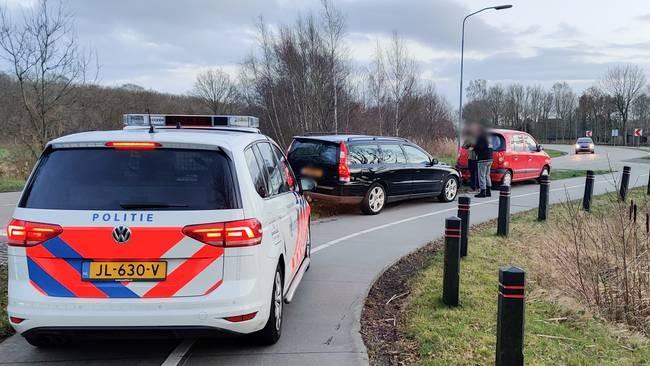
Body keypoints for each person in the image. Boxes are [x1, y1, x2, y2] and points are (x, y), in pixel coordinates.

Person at [474, 126, 493, 198]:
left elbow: (478, 147)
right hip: (490, 158)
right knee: (487, 175)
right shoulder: (488, 137)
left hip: (483, 159)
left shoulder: (480, 137)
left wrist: (474, 148)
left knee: (481, 175)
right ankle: (488, 191)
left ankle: (483, 192)